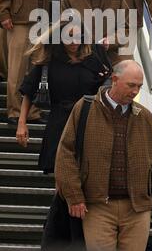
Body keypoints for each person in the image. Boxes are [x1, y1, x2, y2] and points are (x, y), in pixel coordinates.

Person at [55, 60, 152, 251]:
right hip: (97, 207)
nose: (135, 91)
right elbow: (65, 154)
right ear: (115, 80)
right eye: (131, 85)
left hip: (137, 209)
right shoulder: (84, 108)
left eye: (139, 87)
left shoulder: (146, 119)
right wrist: (74, 196)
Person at [16, 20, 111, 174]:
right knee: (60, 171)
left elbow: (110, 84)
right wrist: (21, 124)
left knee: (88, 169)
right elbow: (28, 90)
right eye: (69, 36)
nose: (74, 42)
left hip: (89, 119)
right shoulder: (49, 61)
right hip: (59, 121)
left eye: (78, 36)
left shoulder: (94, 56)